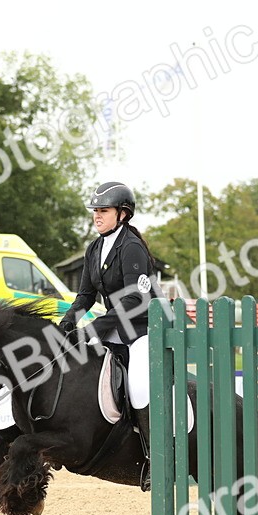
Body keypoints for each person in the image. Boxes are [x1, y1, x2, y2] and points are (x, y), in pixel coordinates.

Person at [57, 181, 158, 490]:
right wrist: (67, 324)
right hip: (115, 326)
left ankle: (156, 457)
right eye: (95, 211)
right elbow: (85, 296)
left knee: (139, 385)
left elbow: (135, 300)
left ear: (122, 214)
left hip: (144, 328)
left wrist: (95, 328)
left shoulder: (132, 247)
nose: (96, 216)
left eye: (103, 211)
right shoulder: (95, 248)